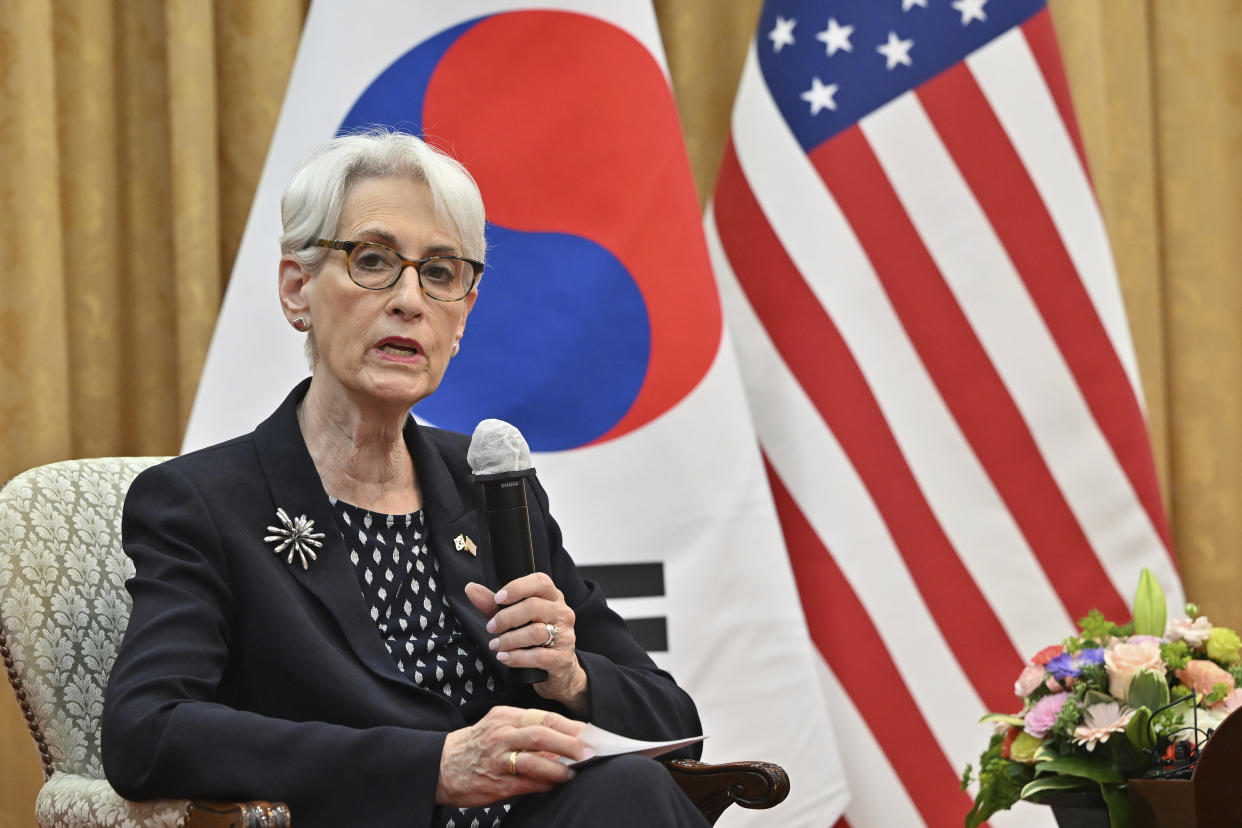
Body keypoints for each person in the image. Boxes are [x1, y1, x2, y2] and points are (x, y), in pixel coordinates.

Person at [102, 130, 708, 828]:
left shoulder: (489, 487)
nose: (409, 300)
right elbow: (146, 731)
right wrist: (431, 766)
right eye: (372, 261)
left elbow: (676, 721)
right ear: (296, 289)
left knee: (629, 792)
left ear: (463, 319)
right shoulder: (206, 502)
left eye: (442, 273)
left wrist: (571, 679)